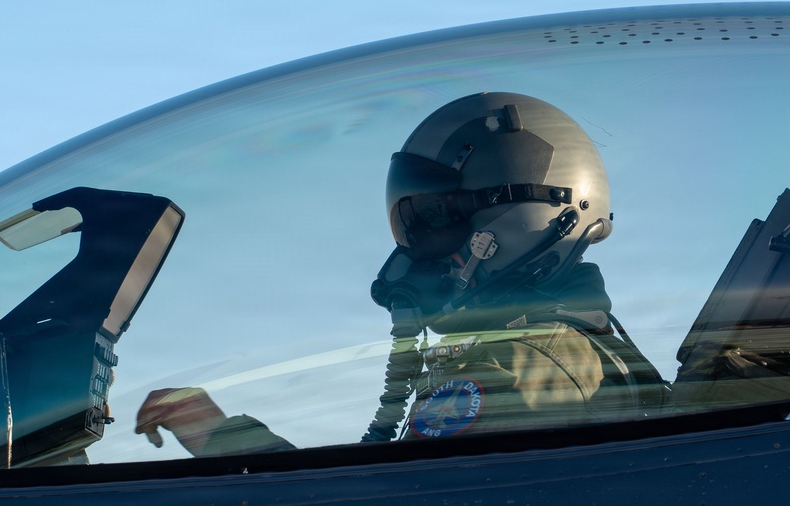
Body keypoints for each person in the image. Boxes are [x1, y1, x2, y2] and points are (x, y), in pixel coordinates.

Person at [136, 92, 668, 456]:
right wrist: (219, 433)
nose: (415, 253)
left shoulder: (519, 365)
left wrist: (222, 438)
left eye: (434, 222)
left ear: (525, 220)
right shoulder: (562, 351)